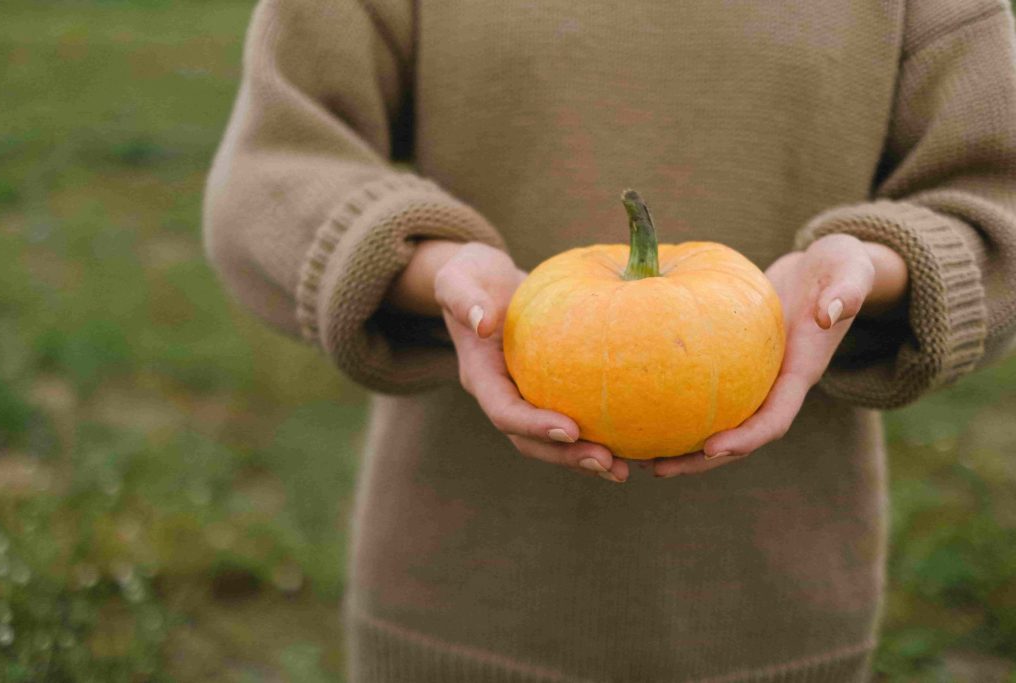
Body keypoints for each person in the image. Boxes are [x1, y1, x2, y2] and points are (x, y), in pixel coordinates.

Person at [203, 0, 1016, 679]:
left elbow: (995, 198)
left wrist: (874, 270)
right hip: (463, 583)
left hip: (772, 601)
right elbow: (271, 173)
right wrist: (429, 266)